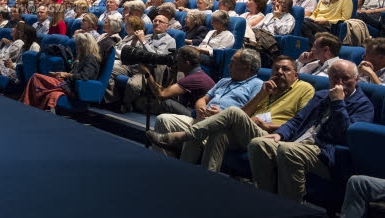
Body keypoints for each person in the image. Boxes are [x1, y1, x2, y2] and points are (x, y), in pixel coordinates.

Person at [146, 56, 314, 172]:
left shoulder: (304, 88)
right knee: (219, 133)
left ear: (296, 74)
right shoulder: (266, 88)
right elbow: (245, 115)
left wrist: (269, 125)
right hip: (249, 130)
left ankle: (182, 136)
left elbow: (301, 123)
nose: (279, 72)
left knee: (231, 112)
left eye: (286, 69)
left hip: (273, 134)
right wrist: (261, 95)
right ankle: (202, 178)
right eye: (276, 69)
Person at [247, 60, 374, 203]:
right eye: (335, 78)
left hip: (325, 152)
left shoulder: (364, 106)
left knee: (288, 150)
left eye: (345, 78)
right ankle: (265, 200)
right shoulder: (321, 95)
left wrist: (338, 103)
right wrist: (280, 133)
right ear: (329, 78)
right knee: (258, 144)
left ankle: (291, 209)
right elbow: (297, 120)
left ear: (356, 79)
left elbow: (345, 136)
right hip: (298, 143)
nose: (340, 83)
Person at [150, 49, 263, 158]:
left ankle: (184, 169)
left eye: (233, 63)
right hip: (201, 119)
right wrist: (200, 106)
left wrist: (223, 114)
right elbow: (204, 99)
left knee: (194, 136)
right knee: (163, 119)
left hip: (221, 128)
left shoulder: (257, 85)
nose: (229, 66)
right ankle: (163, 162)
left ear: (247, 68)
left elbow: (248, 114)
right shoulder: (224, 81)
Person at [20, 33, 101, 111]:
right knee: (40, 85)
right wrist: (61, 74)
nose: (76, 47)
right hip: (66, 84)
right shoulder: (82, 58)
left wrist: (66, 75)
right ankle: (29, 105)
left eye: (78, 44)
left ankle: (24, 104)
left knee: (36, 77)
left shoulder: (90, 58)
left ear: (84, 46)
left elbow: (84, 77)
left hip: (71, 88)